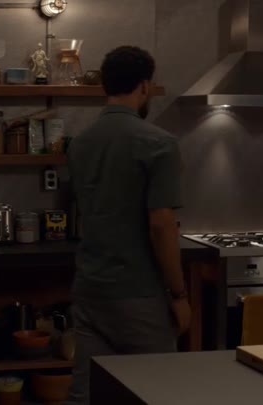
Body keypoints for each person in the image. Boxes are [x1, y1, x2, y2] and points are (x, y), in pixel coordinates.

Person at [65, 46, 191, 405]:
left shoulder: (80, 144)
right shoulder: (160, 143)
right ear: (145, 86)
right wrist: (179, 295)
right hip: (139, 294)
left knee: (88, 392)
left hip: (90, 287)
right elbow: (162, 225)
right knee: (157, 392)